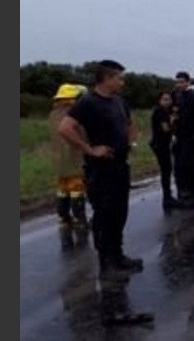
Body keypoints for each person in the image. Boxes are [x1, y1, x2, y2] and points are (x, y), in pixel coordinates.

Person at [58, 60, 143, 275]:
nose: (122, 83)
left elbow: (131, 123)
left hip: (120, 166)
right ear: (106, 78)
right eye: (119, 78)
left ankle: (118, 255)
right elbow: (65, 128)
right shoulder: (88, 102)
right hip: (100, 169)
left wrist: (130, 143)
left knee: (119, 213)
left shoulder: (119, 102)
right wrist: (89, 149)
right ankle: (106, 263)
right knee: (104, 215)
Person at [49, 83, 90, 231]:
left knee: (62, 190)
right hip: (74, 159)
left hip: (59, 161)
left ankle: (65, 220)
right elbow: (84, 135)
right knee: (76, 190)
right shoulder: (74, 114)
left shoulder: (53, 114)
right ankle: (80, 220)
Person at [172, 71, 194, 208]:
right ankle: (191, 196)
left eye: (181, 82)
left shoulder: (193, 96)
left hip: (192, 137)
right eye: (177, 82)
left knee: (190, 167)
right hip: (183, 136)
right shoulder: (181, 97)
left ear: (188, 81)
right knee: (186, 167)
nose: (179, 84)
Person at [149, 91, 179, 210]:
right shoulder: (159, 112)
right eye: (164, 99)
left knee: (167, 169)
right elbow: (166, 129)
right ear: (159, 100)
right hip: (159, 144)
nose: (167, 102)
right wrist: (172, 122)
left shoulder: (166, 111)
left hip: (163, 144)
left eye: (169, 99)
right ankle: (167, 198)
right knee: (166, 170)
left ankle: (168, 196)